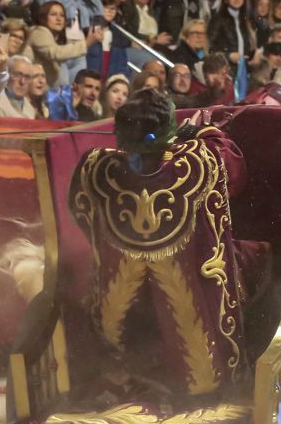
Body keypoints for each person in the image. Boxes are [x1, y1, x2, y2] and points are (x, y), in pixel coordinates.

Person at [66, 88, 261, 401]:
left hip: (124, 324)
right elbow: (236, 169)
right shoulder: (201, 161)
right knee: (260, 254)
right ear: (170, 134)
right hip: (198, 349)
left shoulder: (96, 168)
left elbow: (78, 210)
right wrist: (201, 131)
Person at [23, 0, 96, 87]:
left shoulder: (56, 37)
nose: (59, 19)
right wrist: (86, 43)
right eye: (53, 14)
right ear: (43, 17)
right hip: (28, 84)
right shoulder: (39, 31)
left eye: (62, 15)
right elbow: (55, 53)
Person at [208, 0, 256, 66]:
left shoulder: (246, 21)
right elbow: (209, 48)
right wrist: (229, 56)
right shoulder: (217, 20)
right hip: (224, 68)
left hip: (243, 68)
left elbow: (248, 49)